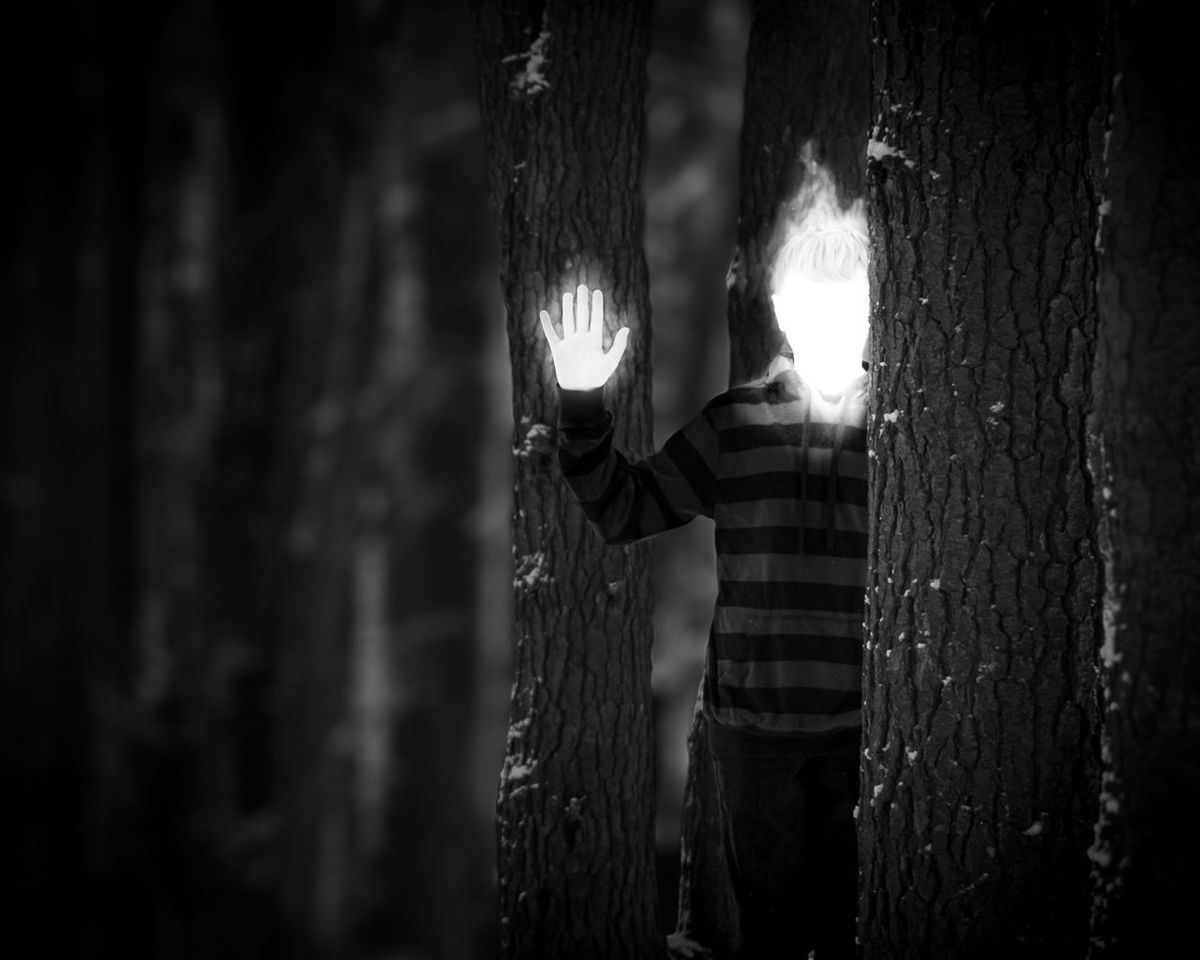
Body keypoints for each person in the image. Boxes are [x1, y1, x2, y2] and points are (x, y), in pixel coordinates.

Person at [540, 215, 870, 959]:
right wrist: (582, 401)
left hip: (867, 729)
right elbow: (624, 507)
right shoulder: (737, 424)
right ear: (784, 310)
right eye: (813, 303)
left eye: (849, 304)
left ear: (875, 314)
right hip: (754, 734)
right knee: (775, 936)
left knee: (861, 929)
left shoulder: (901, 426)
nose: (830, 322)